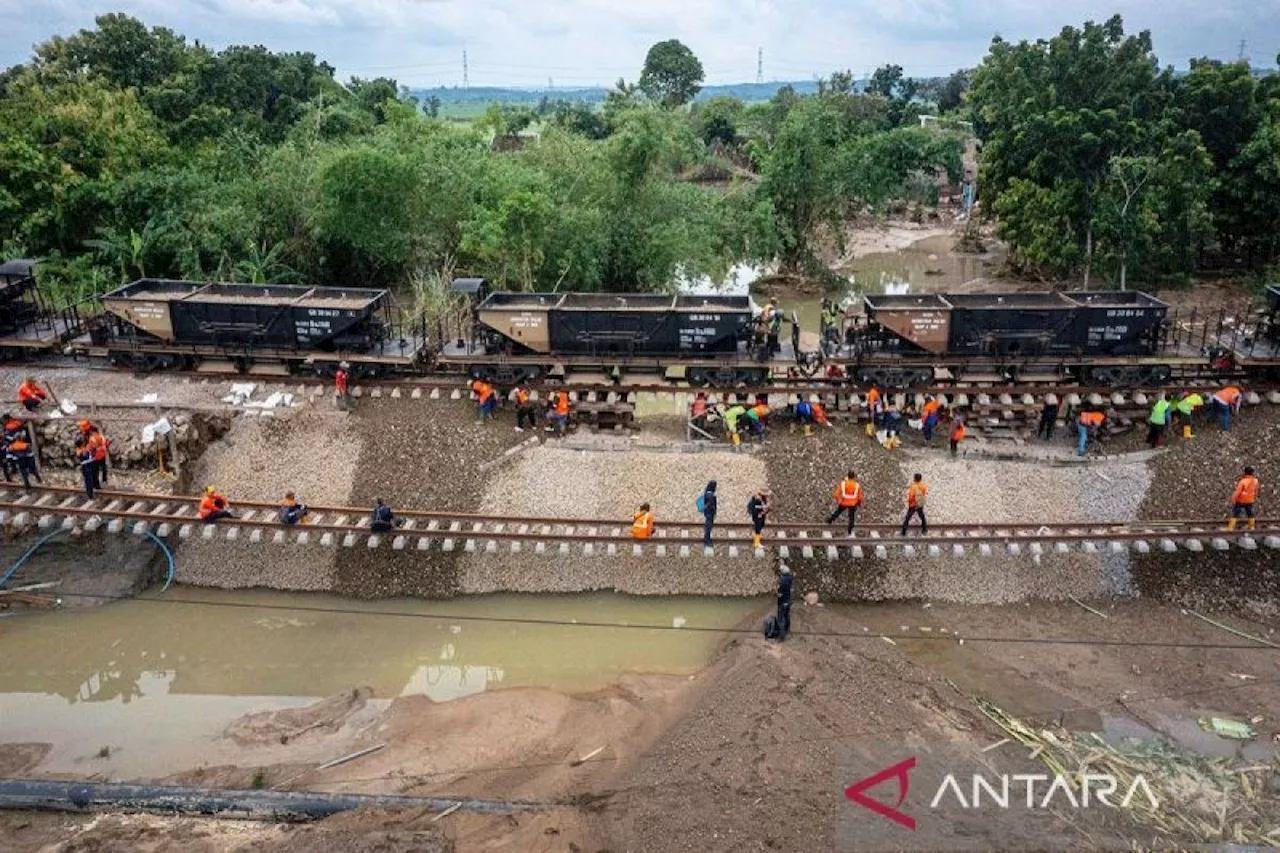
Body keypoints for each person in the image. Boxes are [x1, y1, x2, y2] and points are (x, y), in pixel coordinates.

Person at [827, 471, 864, 536]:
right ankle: (850, 531)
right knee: (851, 517)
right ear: (854, 477)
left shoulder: (843, 484)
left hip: (844, 502)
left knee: (838, 512)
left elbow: (836, 494)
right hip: (853, 503)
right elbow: (860, 497)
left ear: (848, 476)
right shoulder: (857, 485)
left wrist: (839, 500)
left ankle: (830, 520)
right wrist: (859, 503)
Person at [1228, 466, 1260, 532]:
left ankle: (1230, 528)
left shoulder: (1243, 481)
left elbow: (1238, 491)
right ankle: (1252, 527)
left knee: (1236, 513)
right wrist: (1254, 497)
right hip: (1250, 500)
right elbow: (1256, 490)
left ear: (1245, 473)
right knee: (1250, 513)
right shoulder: (1255, 481)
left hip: (1241, 500)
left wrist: (1233, 498)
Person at [81, 420, 109, 486]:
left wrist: (85, 450)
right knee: (103, 468)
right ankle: (104, 480)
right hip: (102, 455)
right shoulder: (101, 437)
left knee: (95, 471)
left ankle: (96, 485)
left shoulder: (92, 439)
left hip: (96, 456)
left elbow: (90, 447)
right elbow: (106, 443)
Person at [775, 564, 794, 640]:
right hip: (788, 601)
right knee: (787, 616)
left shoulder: (781, 581)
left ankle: (781, 636)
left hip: (782, 602)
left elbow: (780, 594)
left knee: (781, 618)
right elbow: (792, 590)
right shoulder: (790, 579)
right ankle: (787, 631)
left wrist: (777, 596)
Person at [698, 480, 717, 546]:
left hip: (707, 513)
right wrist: (713, 510)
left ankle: (707, 539)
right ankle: (707, 540)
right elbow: (711, 504)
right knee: (708, 526)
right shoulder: (710, 495)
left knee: (708, 526)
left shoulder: (707, 493)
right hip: (710, 513)